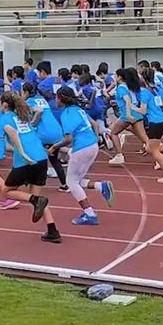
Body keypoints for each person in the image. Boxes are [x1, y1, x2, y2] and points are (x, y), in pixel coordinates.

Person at [0, 92, 62, 243]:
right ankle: (52, 231)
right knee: (40, 200)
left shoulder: (5, 119)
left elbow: (13, 134)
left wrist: (22, 153)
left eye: (1, 103)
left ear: (5, 105)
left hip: (26, 160)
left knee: (6, 191)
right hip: (41, 158)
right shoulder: (22, 117)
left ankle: (32, 200)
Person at [50, 86, 114, 225]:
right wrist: (95, 139)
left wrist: (55, 147)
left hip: (82, 148)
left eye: (56, 97)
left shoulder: (66, 114)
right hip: (92, 146)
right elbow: (95, 125)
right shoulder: (79, 110)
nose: (55, 99)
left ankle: (89, 214)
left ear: (61, 98)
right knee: (77, 180)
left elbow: (68, 139)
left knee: (71, 182)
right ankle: (100, 186)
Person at [22, 82, 69, 192]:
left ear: (26, 92)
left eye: (22, 92)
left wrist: (33, 123)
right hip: (56, 130)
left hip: (44, 133)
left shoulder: (29, 101)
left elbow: (39, 111)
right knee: (54, 159)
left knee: (30, 153)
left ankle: (30, 180)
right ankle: (64, 184)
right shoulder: (41, 99)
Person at [108, 68, 148, 165]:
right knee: (145, 139)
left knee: (113, 133)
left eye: (116, 76)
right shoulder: (129, 86)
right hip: (136, 114)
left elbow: (127, 100)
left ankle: (119, 155)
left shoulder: (121, 88)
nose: (114, 78)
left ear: (119, 77)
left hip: (127, 115)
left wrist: (128, 115)